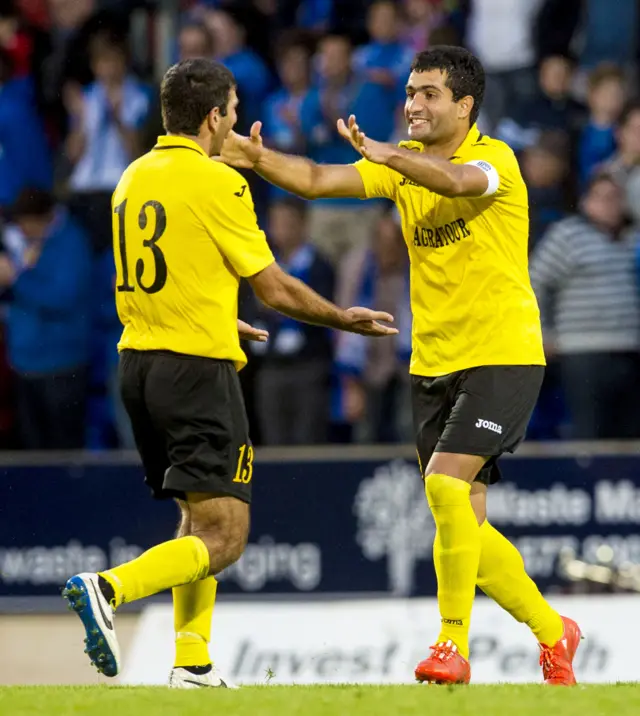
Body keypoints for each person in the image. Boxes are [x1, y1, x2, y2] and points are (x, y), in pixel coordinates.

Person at [218, 45, 582, 686]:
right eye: (411, 92)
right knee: (461, 520)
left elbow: (456, 183)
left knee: (443, 489)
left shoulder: (494, 161)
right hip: (433, 362)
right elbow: (315, 179)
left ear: (464, 106)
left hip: (503, 354)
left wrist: (389, 155)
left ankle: (451, 646)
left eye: (429, 94)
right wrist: (255, 159)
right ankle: (556, 633)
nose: (413, 103)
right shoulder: (404, 165)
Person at [62, 58, 396, 689]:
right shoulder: (218, 182)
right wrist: (340, 319)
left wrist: (215, 314)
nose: (238, 123)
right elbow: (272, 288)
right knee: (229, 534)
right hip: (195, 373)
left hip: (139, 364)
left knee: (196, 517)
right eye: (235, 112)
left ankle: (192, 661)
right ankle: (108, 588)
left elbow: (150, 273)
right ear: (214, 117)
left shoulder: (131, 177)